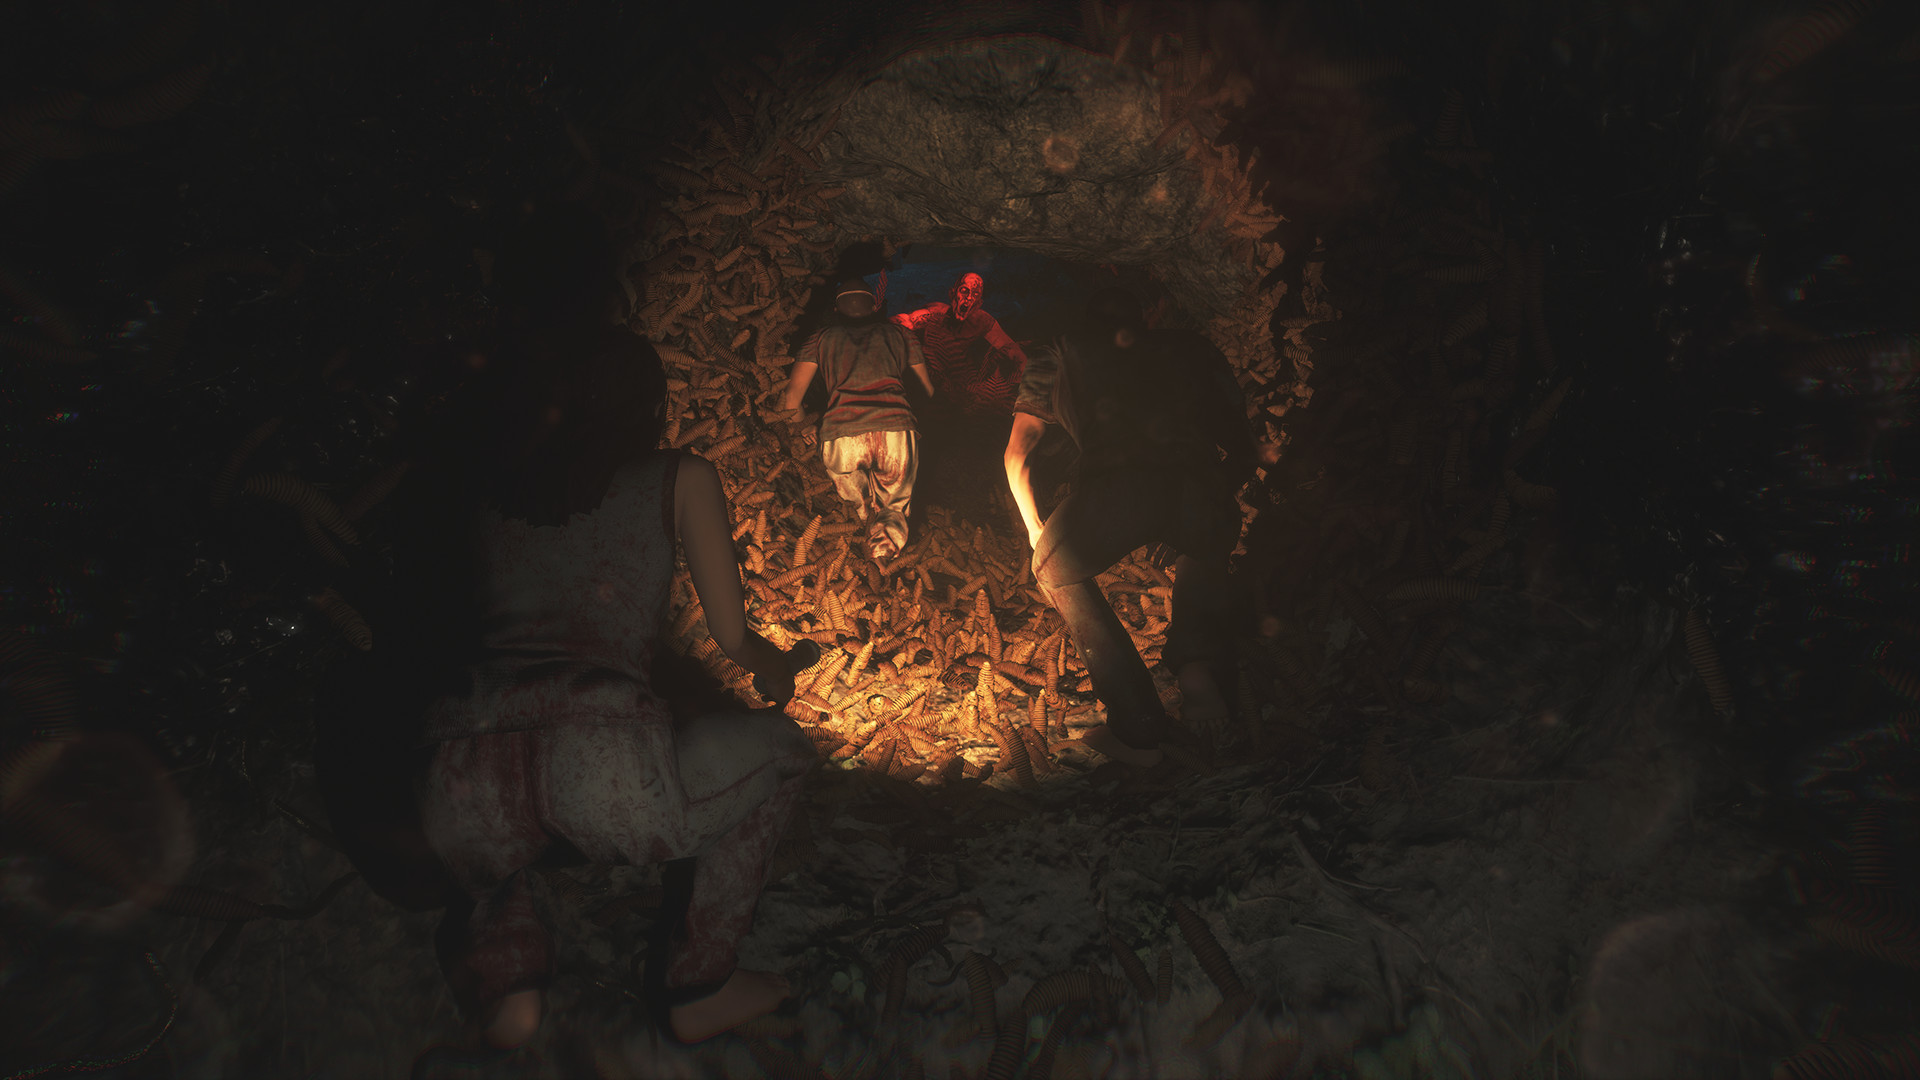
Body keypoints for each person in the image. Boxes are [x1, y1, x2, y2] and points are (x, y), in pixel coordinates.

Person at [318, 204, 818, 1051]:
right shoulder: (678, 477)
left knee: (497, 842)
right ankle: (700, 980)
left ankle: (508, 976)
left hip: (459, 772)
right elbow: (734, 640)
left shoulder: (481, 487)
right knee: (783, 756)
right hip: (603, 765)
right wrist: (774, 671)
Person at [1002, 288, 1257, 768]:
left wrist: (1036, 529)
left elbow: (1018, 453)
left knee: (1053, 569)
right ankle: (1198, 668)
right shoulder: (1191, 347)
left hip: (1118, 487)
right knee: (1204, 545)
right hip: (1201, 480)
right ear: (1147, 314)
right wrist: (1208, 496)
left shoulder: (1056, 352)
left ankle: (1138, 727)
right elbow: (1244, 446)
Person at [783, 277, 935, 563]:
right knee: (894, 509)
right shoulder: (902, 335)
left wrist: (805, 428)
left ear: (835, 309)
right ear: (875, 306)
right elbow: (926, 390)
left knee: (858, 509)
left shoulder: (820, 338)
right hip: (895, 430)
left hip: (841, 435)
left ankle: (861, 547)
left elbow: (790, 400)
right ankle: (883, 562)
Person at [891, 271, 1028, 418]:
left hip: (957, 389)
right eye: (964, 290)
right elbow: (902, 321)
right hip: (925, 384)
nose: (968, 298)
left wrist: (1020, 386)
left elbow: (1014, 352)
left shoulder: (981, 322)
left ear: (979, 303)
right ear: (952, 294)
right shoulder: (934, 314)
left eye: (975, 294)